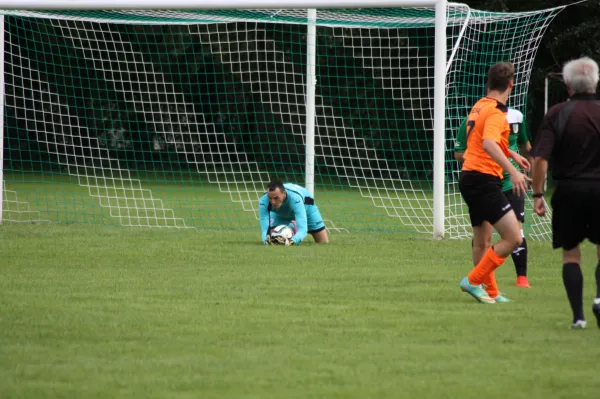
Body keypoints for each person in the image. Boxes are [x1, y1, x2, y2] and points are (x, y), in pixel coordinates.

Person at [531, 56, 600, 329]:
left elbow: (539, 160)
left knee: (571, 255)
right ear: (595, 82)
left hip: (569, 190)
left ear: (568, 85)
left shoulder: (557, 113)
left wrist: (537, 194)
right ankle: (599, 300)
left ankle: (578, 318)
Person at [457, 62, 531, 304]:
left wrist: (512, 154)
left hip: (470, 177)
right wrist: (514, 171)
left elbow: (481, 141)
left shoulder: (479, 106)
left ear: (488, 83)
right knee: (513, 238)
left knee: (483, 241)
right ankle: (473, 280)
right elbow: (488, 143)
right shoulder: (498, 113)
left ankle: (491, 292)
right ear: (511, 84)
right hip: (484, 179)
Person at [259, 180, 329, 245]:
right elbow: (265, 228)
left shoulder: (295, 199)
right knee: (274, 238)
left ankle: (294, 226)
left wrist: (292, 241)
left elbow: (303, 229)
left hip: (307, 209)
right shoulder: (263, 201)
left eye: (276, 198)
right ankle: (291, 227)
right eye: (270, 198)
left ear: (284, 194)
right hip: (280, 214)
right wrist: (265, 240)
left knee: (323, 242)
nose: (273, 202)